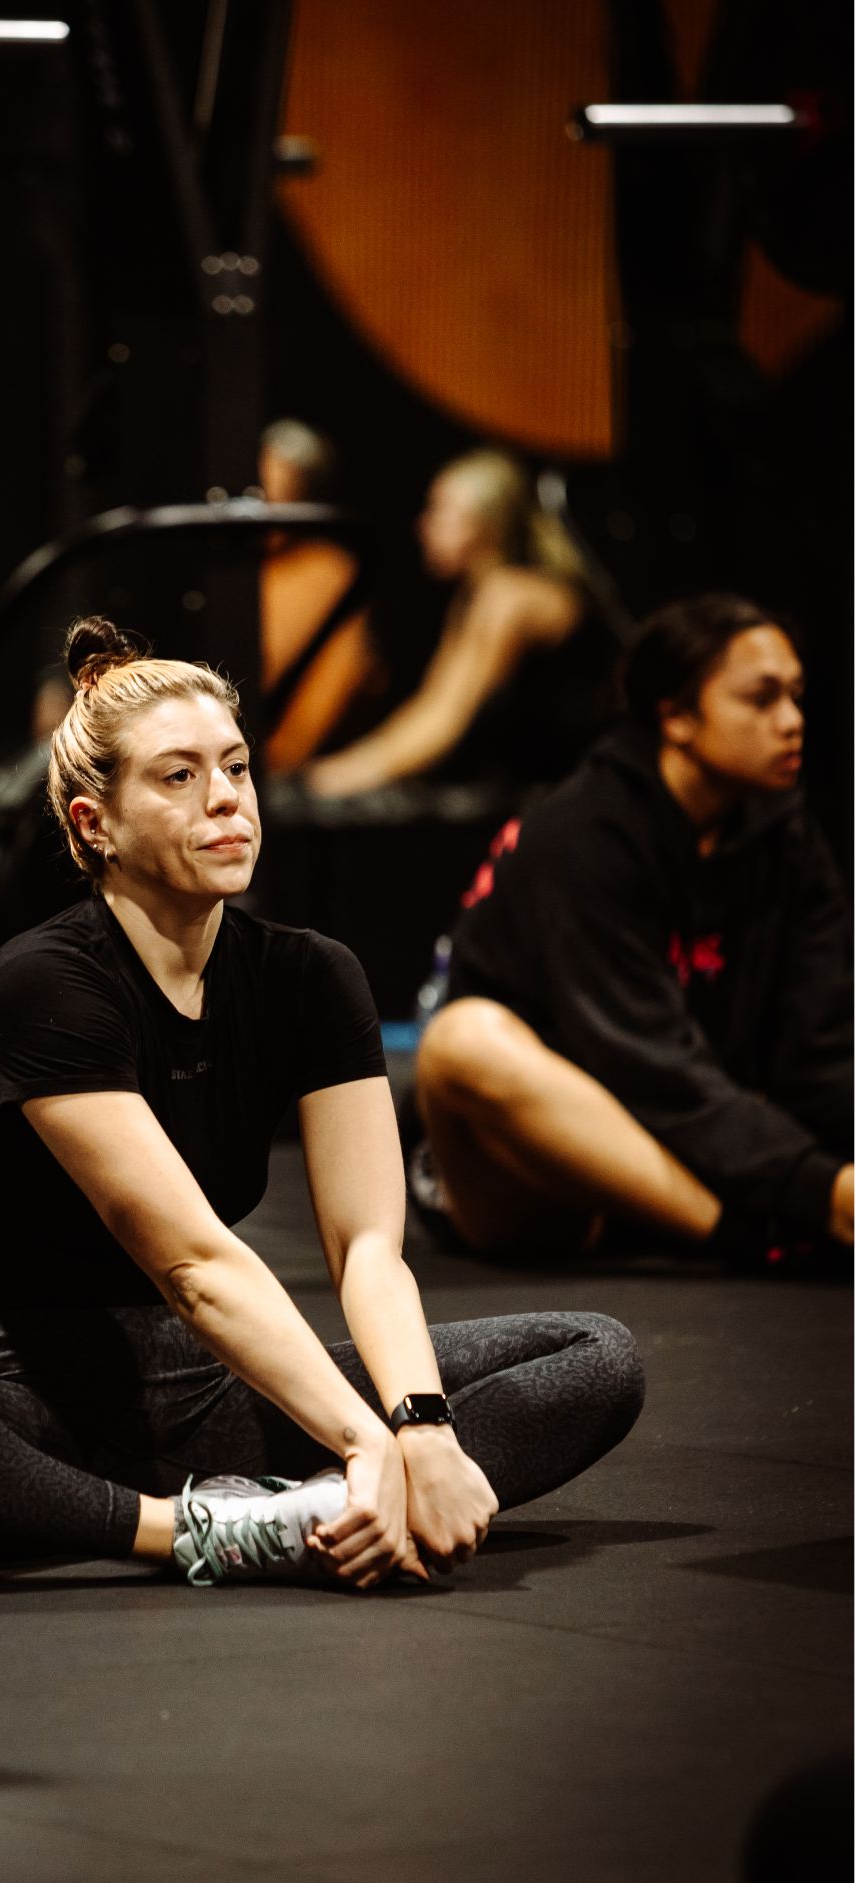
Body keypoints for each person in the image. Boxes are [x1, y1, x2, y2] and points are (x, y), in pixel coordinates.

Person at [0, 617, 644, 1589]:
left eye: (237, 768)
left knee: (594, 1354)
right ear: (93, 823)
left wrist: (413, 1427)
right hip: (19, 1393)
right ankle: (196, 1527)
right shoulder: (46, 984)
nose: (226, 801)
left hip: (212, 1386)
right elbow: (193, 1264)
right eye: (178, 776)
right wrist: (361, 1439)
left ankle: (292, 1507)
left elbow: (367, 1248)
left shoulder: (309, 976)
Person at [414, 593, 853, 1261]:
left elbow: (819, 1052)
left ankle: (756, 1219)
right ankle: (744, 1239)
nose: (792, 721)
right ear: (676, 717)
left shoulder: (786, 838)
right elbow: (643, 1065)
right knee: (462, 1041)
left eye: (795, 696)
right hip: (539, 1178)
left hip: (701, 1141)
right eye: (761, 700)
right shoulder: (582, 835)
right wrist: (819, 1190)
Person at [306, 448, 611, 797]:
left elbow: (446, 719)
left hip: (564, 791)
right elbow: (432, 701)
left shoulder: (510, 598)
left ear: (485, 526)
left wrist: (346, 774)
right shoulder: (473, 595)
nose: (423, 524)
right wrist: (350, 764)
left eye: (441, 511)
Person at [257, 420, 386, 772]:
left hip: (287, 766)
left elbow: (334, 680)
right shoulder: (238, 566)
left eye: (282, 491)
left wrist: (280, 760)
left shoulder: (329, 571)